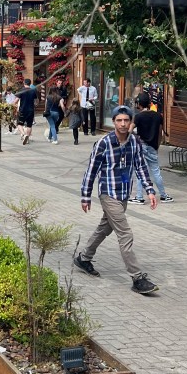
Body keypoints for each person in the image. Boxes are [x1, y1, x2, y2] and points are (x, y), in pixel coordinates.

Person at [76, 105, 159, 295]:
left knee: (105, 228)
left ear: (130, 122)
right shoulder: (104, 143)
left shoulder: (134, 142)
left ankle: (84, 258)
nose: (123, 124)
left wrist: (150, 190)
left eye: (126, 120)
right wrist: (85, 196)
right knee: (125, 234)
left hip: (123, 194)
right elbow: (91, 171)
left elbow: (140, 166)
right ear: (113, 122)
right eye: (119, 120)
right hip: (108, 193)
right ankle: (137, 278)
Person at [133, 92, 173, 204]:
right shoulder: (158, 116)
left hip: (141, 146)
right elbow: (161, 133)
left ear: (139, 104)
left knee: (141, 171)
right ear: (149, 103)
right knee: (156, 172)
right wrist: (157, 146)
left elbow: (129, 130)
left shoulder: (138, 117)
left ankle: (139, 197)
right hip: (153, 147)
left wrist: (134, 138)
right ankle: (164, 196)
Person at [15, 78, 38, 145]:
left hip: (23, 110)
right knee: (29, 125)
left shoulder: (21, 90)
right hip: (31, 110)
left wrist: (13, 105)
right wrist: (35, 105)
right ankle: (27, 138)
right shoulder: (33, 91)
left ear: (24, 83)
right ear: (30, 84)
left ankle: (23, 134)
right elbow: (36, 101)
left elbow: (16, 100)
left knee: (19, 124)